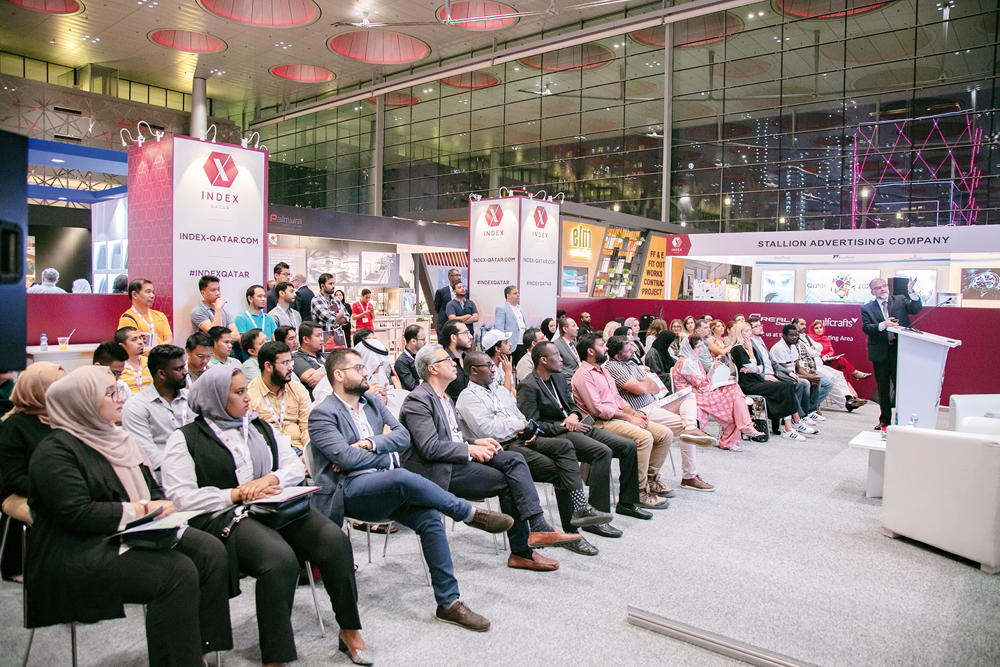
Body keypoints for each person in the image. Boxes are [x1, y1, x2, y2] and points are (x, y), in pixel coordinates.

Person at [161, 365, 369, 666]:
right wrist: (236, 493)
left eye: (246, 389)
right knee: (279, 560)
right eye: (239, 392)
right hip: (225, 515)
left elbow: (295, 466)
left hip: (274, 506)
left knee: (334, 541)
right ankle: (276, 656)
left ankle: (349, 630)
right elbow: (181, 497)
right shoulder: (185, 439)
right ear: (215, 398)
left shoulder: (258, 426)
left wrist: (269, 481)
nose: (248, 398)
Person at [28, 366, 233, 667]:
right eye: (110, 393)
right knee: (176, 572)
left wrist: (163, 508)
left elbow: (152, 488)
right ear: (82, 403)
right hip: (79, 548)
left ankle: (200, 648)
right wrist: (140, 510)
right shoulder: (55, 450)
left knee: (210, 550)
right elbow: (77, 514)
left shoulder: (119, 438)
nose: (120, 397)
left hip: (134, 531)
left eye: (118, 390)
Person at [309, 348, 510, 631]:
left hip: (384, 484)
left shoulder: (370, 402)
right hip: (348, 492)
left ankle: (448, 603)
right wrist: (382, 448)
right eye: (358, 368)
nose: (366, 372)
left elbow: (403, 438)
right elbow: (345, 459)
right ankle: (465, 512)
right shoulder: (322, 415)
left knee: (429, 518)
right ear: (339, 375)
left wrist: (370, 444)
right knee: (402, 476)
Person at [398, 344, 580, 572]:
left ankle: (537, 526)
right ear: (433, 369)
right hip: (436, 469)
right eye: (447, 361)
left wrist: (475, 442)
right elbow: (429, 448)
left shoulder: (443, 397)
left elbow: (452, 437)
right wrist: (469, 450)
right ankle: (522, 551)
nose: (454, 363)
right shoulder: (418, 401)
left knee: (513, 459)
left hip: (453, 458)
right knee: (508, 482)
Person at [457, 351, 613, 557]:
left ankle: (581, 509)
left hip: (522, 438)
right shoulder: (468, 397)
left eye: (492, 365)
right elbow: (488, 430)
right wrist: (521, 425)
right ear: (474, 370)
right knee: (560, 471)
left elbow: (520, 416)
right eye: (488, 366)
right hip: (502, 447)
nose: (494, 369)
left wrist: (527, 427)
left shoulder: (500, 391)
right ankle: (572, 533)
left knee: (565, 447)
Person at [517, 341, 649, 534]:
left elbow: (571, 405)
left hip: (578, 425)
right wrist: (564, 425)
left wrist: (573, 415)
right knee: (602, 452)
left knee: (628, 446)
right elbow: (531, 425)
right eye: (556, 355)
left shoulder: (559, 378)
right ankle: (595, 518)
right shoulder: (528, 386)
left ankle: (627, 503)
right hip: (560, 433)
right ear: (543, 360)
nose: (561, 358)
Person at [604, 335, 715, 493]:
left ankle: (690, 426)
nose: (634, 349)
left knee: (688, 395)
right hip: (642, 410)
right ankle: (689, 476)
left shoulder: (631, 362)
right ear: (617, 356)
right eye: (629, 349)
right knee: (685, 428)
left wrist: (644, 385)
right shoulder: (613, 367)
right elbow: (642, 388)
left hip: (655, 403)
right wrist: (645, 385)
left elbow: (656, 386)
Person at [570, 334, 670, 510]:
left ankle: (650, 480)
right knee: (644, 438)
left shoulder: (604, 371)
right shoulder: (583, 375)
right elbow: (597, 409)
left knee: (665, 434)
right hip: (600, 423)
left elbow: (617, 398)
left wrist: (633, 412)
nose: (606, 348)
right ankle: (638, 492)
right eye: (602, 345)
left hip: (617, 416)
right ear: (590, 351)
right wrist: (628, 417)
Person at [0, 363, 63, 582]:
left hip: (60, 486)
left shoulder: (62, 420)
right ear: (37, 389)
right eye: (56, 385)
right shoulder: (14, 425)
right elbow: (12, 477)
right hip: (22, 490)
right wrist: (50, 489)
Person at [672, 334, 765, 452]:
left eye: (701, 347)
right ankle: (743, 429)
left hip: (699, 393)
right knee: (733, 395)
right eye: (698, 347)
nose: (701, 349)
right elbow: (702, 385)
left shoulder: (694, 360)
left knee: (734, 392)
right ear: (690, 348)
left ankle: (743, 429)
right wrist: (712, 370)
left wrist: (712, 371)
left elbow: (704, 384)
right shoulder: (685, 362)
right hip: (690, 396)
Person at [121, 345, 193, 476]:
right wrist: (185, 468)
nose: (185, 372)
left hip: (197, 467)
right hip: (161, 472)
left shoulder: (192, 399)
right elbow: (148, 454)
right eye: (179, 368)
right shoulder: (137, 406)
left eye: (184, 366)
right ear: (161, 374)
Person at [861, 277, 922, 429]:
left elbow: (915, 309)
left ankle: (903, 418)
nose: (882, 289)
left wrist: (911, 291)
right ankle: (885, 420)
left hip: (900, 350)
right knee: (883, 387)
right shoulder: (867, 308)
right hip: (880, 351)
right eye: (878, 288)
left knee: (901, 386)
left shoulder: (900, 299)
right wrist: (883, 325)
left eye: (884, 286)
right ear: (872, 292)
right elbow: (867, 328)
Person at [739, 319, 810, 440]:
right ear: (740, 333)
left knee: (791, 385)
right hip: (754, 381)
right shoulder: (740, 348)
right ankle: (793, 424)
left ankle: (793, 424)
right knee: (787, 386)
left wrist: (788, 372)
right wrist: (761, 374)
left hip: (765, 375)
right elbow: (750, 368)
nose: (751, 332)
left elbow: (766, 364)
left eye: (757, 327)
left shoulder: (759, 342)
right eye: (748, 330)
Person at [248, 341, 313, 457]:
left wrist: (308, 455)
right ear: (268, 366)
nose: (291, 367)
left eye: (290, 361)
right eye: (285, 363)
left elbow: (307, 426)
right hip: (270, 451)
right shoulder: (249, 395)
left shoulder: (298, 389)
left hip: (299, 449)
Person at [792, 317, 867, 412]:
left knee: (839, 374)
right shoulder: (795, 338)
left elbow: (820, 347)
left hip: (820, 364)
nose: (804, 327)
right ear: (795, 325)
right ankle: (846, 402)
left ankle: (849, 397)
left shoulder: (807, 337)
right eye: (802, 324)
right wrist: (816, 350)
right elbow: (811, 352)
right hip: (810, 367)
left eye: (805, 324)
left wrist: (814, 348)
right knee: (830, 379)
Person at [770, 324, 831, 427]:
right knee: (804, 383)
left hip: (793, 374)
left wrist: (810, 376)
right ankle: (799, 416)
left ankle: (810, 411)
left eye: (796, 335)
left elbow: (798, 367)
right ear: (783, 335)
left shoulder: (793, 346)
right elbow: (785, 371)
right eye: (791, 335)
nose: (794, 337)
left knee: (816, 380)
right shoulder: (779, 348)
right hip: (782, 375)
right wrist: (808, 378)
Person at [809, 319, 872, 386]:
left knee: (842, 369)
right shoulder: (810, 339)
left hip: (827, 360)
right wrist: (822, 357)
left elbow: (831, 351)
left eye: (820, 327)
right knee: (841, 360)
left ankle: (846, 391)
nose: (819, 330)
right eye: (816, 328)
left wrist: (826, 356)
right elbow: (812, 352)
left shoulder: (825, 338)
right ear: (813, 330)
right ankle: (856, 373)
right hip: (818, 363)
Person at [118, 279, 172, 347]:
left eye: (153, 292)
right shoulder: (127, 318)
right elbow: (132, 347)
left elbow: (169, 340)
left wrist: (153, 350)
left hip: (161, 355)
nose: (152, 295)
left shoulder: (160, 316)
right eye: (148, 292)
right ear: (134, 295)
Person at [311, 273, 349, 347]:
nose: (333, 286)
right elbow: (328, 318)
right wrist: (340, 315)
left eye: (333, 283)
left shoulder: (336, 300)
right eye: (330, 284)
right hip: (323, 341)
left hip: (338, 340)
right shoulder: (316, 300)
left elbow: (347, 317)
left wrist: (337, 318)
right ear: (322, 286)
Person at [494, 285, 528, 366]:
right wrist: (503, 344)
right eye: (515, 293)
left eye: (518, 293)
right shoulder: (501, 308)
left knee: (521, 368)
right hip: (509, 345)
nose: (518, 295)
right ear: (508, 295)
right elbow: (499, 328)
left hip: (522, 344)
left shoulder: (520, 308)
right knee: (507, 368)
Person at [293, 321, 327, 399]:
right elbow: (313, 379)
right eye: (318, 336)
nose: (322, 339)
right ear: (305, 339)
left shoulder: (324, 356)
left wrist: (324, 374)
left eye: (322, 335)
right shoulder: (296, 358)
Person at [441, 320, 472, 403]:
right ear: (453, 338)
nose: (470, 336)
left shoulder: (469, 359)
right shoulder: (443, 363)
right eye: (466, 333)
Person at [116, 326, 151, 395]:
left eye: (140, 338)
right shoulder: (118, 367)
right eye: (134, 340)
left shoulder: (151, 362)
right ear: (122, 346)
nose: (140, 342)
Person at [394, 324, 426, 391]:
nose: (425, 342)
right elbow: (411, 387)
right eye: (423, 339)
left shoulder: (423, 355)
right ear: (413, 341)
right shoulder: (402, 361)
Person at [482, 328, 514, 394]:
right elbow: (504, 395)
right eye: (506, 342)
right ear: (497, 348)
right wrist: (508, 373)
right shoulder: (488, 369)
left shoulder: (503, 363)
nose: (510, 344)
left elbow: (511, 388)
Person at [434, 268, 463, 339]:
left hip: (459, 326)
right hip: (444, 326)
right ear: (449, 277)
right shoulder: (441, 292)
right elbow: (437, 309)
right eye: (456, 275)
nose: (458, 277)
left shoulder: (465, 292)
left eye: (459, 275)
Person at [553, 316, 581, 380]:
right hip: (568, 382)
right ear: (565, 329)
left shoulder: (575, 343)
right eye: (574, 326)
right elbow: (557, 369)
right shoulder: (556, 345)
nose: (577, 328)